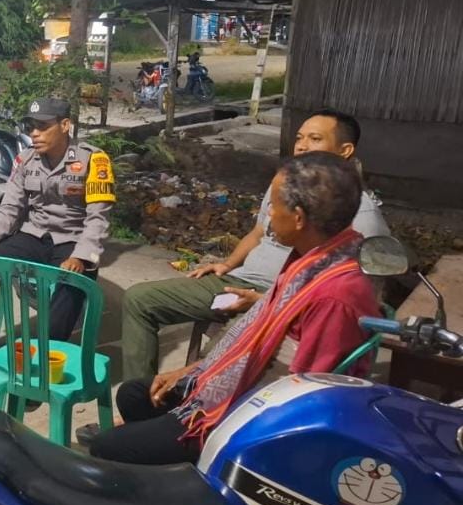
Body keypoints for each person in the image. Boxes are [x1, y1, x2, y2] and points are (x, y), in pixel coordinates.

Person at [87, 152, 382, 464]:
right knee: (133, 395)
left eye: (274, 205)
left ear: (298, 218)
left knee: (106, 447)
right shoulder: (315, 259)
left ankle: (196, 468)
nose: (268, 213)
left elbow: (304, 397)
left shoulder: (334, 296)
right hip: (244, 385)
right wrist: (194, 370)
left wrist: (219, 415)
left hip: (252, 415)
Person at [119, 109, 389, 383]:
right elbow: (259, 232)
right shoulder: (285, 184)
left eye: (315, 138)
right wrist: (226, 264)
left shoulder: (357, 214)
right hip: (239, 284)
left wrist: (264, 301)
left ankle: (184, 402)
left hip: (278, 304)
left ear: (345, 150)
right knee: (141, 300)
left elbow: (346, 294)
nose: (302, 145)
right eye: (299, 138)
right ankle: (141, 394)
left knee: (217, 363)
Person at [0, 97, 114, 391]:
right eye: (31, 127)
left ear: (65, 125)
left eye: (43, 126)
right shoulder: (25, 160)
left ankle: (44, 365)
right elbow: (10, 209)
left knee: (73, 280)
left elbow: (98, 219)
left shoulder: (94, 160)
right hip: (34, 235)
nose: (35, 133)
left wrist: (82, 257)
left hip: (73, 239)